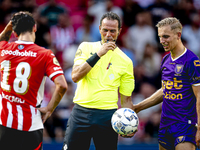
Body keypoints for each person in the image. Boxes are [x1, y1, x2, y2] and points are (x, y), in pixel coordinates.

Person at [62, 12, 135, 150]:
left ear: (119, 31)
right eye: (105, 30)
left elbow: (126, 100)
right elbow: (75, 76)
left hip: (107, 116)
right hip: (80, 113)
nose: (108, 34)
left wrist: (130, 123)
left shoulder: (126, 61)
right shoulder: (85, 47)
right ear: (100, 28)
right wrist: (98, 54)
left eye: (113, 31)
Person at [0, 11, 68, 150]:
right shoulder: (45, 54)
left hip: (4, 125)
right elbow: (62, 85)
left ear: (13, 32)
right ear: (35, 27)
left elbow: (2, 40)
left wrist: (8, 27)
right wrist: (49, 109)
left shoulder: (3, 49)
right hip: (31, 126)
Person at [133, 17, 200, 150]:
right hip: (165, 124)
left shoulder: (192, 61)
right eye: (160, 36)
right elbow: (166, 90)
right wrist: (138, 107)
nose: (162, 41)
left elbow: (199, 97)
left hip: (185, 125)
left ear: (178, 35)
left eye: (166, 36)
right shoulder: (165, 60)